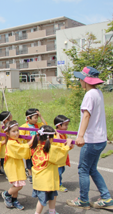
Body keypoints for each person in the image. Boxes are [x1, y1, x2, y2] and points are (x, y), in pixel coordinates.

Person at [67, 66, 113, 210]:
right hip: (101, 139)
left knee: (83, 169)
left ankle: (83, 200)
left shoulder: (89, 95)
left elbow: (86, 115)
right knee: (92, 169)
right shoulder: (98, 93)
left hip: (92, 140)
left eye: (81, 78)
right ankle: (106, 198)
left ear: (86, 80)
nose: (79, 80)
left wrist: (80, 136)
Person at [31, 125, 73, 214]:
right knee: (42, 200)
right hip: (46, 180)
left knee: (53, 195)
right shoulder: (50, 148)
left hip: (43, 178)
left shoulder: (37, 145)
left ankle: (52, 211)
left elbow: (58, 149)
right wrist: (68, 144)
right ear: (49, 138)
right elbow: (61, 154)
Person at [2, 120, 33, 210]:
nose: (16, 133)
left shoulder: (15, 140)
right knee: (18, 185)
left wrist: (25, 138)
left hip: (17, 165)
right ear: (7, 134)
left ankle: (14, 199)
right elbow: (21, 148)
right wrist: (30, 141)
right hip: (12, 166)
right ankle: (7, 194)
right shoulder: (11, 143)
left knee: (18, 183)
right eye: (13, 131)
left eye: (17, 130)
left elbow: (21, 144)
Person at [20, 108, 47, 184]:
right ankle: (30, 174)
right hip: (29, 147)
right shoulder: (24, 126)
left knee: (36, 160)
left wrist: (41, 116)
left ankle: (36, 173)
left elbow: (45, 126)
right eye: (35, 118)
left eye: (37, 117)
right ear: (28, 118)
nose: (36, 119)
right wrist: (24, 136)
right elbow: (19, 135)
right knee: (29, 161)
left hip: (37, 147)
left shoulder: (37, 125)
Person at [53, 115, 72, 192]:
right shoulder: (54, 135)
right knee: (59, 172)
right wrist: (57, 135)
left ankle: (55, 182)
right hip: (57, 158)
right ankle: (58, 185)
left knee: (61, 170)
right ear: (58, 125)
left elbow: (65, 146)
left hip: (63, 157)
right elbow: (57, 145)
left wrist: (70, 145)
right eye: (65, 125)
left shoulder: (64, 134)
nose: (67, 127)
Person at [0, 111, 12, 176]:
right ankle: (6, 172)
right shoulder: (1, 128)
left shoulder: (11, 126)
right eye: (11, 117)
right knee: (4, 160)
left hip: (9, 146)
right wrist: (0, 131)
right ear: (6, 120)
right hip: (3, 147)